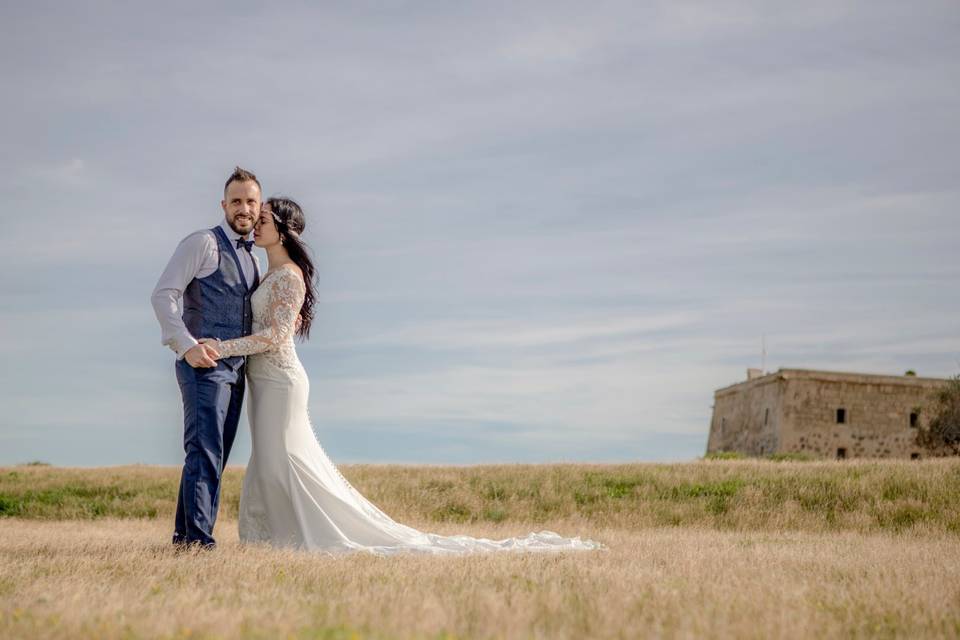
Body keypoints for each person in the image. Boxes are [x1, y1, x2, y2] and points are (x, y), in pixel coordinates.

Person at [202, 196, 605, 555]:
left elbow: (276, 335)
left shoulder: (290, 276)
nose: (257, 223)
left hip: (281, 381)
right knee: (270, 461)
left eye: (265, 218)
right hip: (263, 382)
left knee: (285, 460)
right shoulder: (267, 273)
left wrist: (221, 347)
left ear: (284, 231)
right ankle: (273, 540)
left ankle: (304, 536)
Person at [150, 166, 262, 548]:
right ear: (223, 205)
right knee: (204, 450)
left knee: (214, 454)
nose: (243, 208)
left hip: (236, 371)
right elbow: (163, 295)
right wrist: (187, 346)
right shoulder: (203, 243)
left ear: (259, 206)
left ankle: (184, 538)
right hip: (203, 366)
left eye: (250, 201)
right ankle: (199, 542)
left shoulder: (254, 259)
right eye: (236, 201)